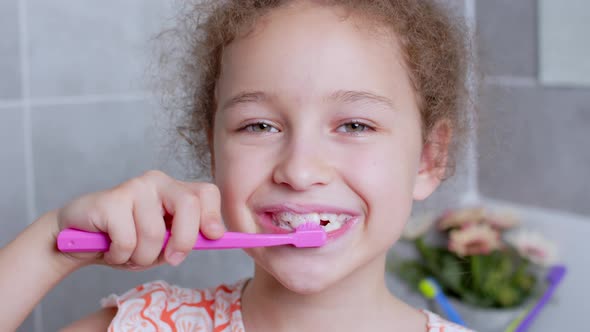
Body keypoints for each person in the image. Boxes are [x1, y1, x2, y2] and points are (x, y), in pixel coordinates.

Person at [0, 0, 476, 330]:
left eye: (354, 126)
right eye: (259, 127)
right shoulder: (151, 325)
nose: (300, 169)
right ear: (214, 152)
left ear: (429, 158)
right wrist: (51, 246)